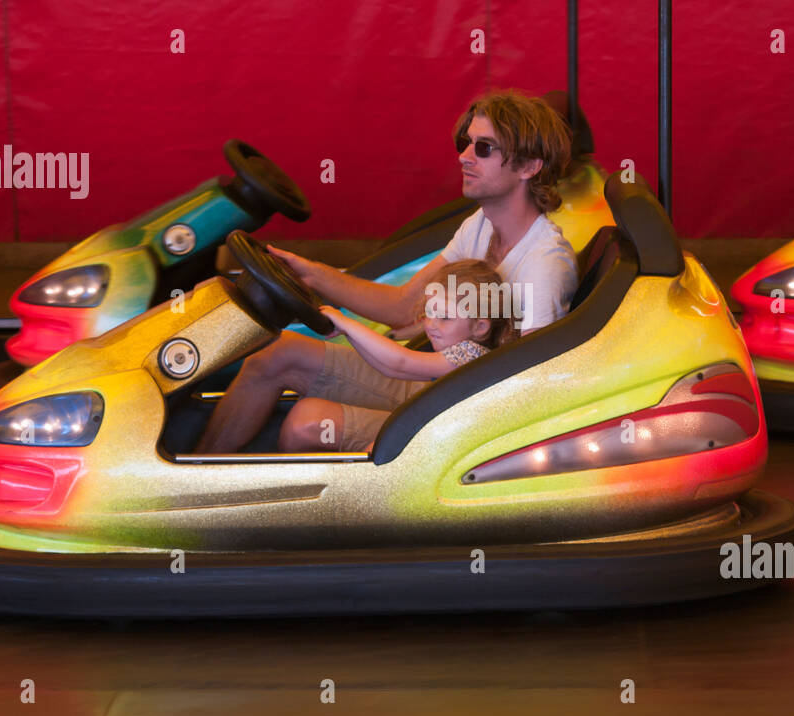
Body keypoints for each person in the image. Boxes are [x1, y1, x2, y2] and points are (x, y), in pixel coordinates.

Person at [193, 89, 578, 454]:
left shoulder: (544, 263)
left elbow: (532, 386)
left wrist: (421, 436)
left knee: (307, 423)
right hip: (433, 383)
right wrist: (311, 275)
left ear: (529, 166)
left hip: (464, 419)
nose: (464, 156)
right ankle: (188, 489)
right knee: (276, 353)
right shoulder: (479, 226)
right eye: (465, 143)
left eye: (484, 148)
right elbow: (402, 306)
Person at [305, 259, 511, 451]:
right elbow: (388, 367)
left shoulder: (470, 355)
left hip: (451, 440)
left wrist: (348, 323)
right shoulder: (463, 349)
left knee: (372, 454)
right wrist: (348, 333)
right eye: (429, 313)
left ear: (480, 326)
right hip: (438, 427)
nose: (431, 325)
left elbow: (400, 361)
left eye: (445, 318)